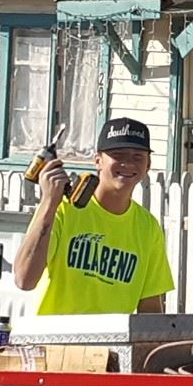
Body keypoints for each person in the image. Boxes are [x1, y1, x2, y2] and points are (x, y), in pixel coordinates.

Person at [14, 117, 174, 315]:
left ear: (148, 165)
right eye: (118, 155)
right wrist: (49, 202)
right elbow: (24, 279)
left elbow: (150, 310)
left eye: (137, 157)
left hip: (112, 337)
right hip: (54, 334)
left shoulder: (148, 227)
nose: (127, 163)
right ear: (98, 161)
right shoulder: (63, 209)